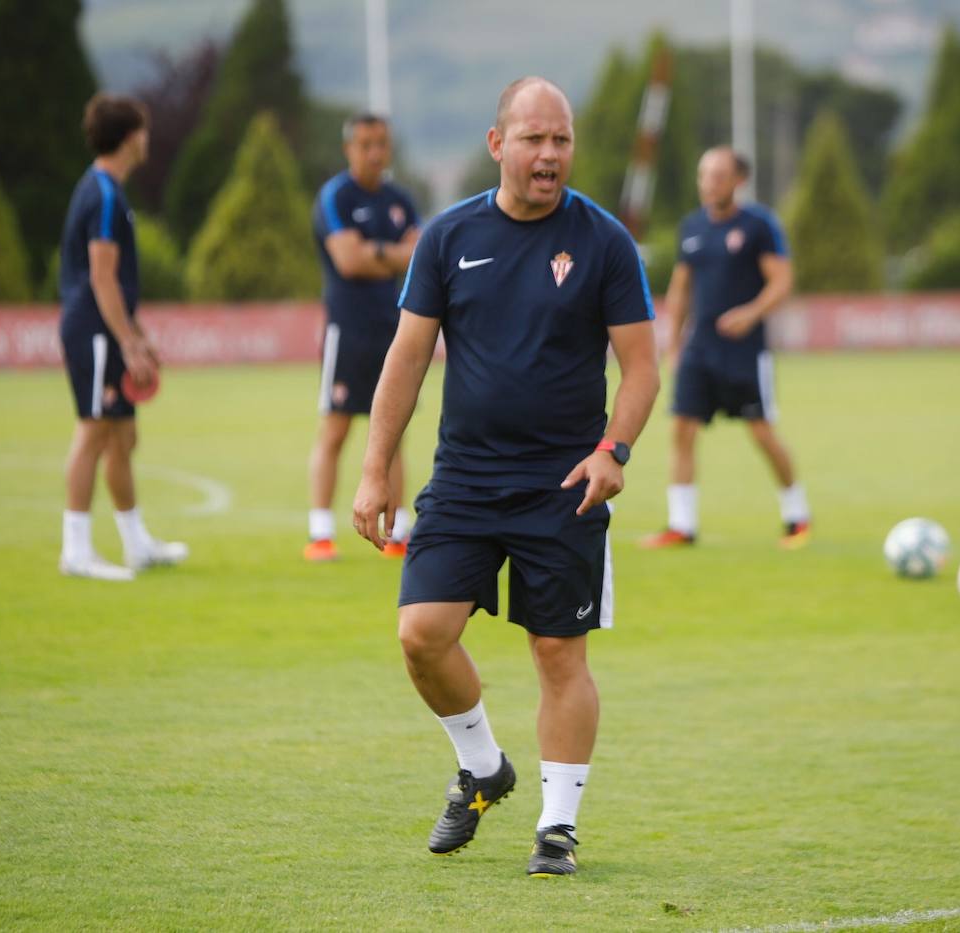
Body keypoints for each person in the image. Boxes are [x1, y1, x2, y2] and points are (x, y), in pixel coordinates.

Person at [352, 77, 658, 877]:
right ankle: (484, 765)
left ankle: (558, 828)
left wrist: (613, 451)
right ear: (498, 145)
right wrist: (374, 468)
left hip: (566, 484)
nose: (549, 154)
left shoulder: (604, 242)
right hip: (465, 479)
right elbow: (407, 359)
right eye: (533, 139)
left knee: (560, 654)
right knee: (421, 632)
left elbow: (642, 370)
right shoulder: (449, 237)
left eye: (561, 140)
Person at [641, 146, 810, 551]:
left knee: (761, 432)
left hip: (745, 353)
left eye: (719, 175)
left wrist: (750, 314)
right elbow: (681, 289)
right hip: (700, 351)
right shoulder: (692, 228)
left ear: (739, 181)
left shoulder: (758, 226)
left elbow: (782, 282)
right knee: (681, 429)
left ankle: (797, 517)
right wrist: (673, 343)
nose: (709, 183)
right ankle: (682, 525)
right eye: (704, 175)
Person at [57, 93, 187, 581]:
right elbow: (102, 277)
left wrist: (137, 335)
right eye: (143, 130)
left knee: (122, 436)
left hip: (105, 329)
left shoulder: (105, 188)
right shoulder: (105, 194)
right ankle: (75, 549)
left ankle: (136, 544)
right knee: (93, 431)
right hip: (94, 330)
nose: (146, 138)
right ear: (132, 137)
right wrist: (128, 342)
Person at [307, 113, 421, 562]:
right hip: (347, 330)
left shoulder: (401, 200)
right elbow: (349, 261)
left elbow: (417, 259)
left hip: (394, 331)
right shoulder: (335, 197)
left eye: (382, 143)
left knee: (394, 432)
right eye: (367, 144)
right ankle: (320, 533)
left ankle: (397, 533)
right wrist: (389, 254)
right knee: (336, 429)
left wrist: (374, 252)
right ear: (350, 149)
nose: (376, 152)